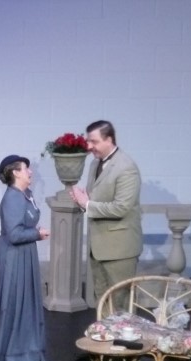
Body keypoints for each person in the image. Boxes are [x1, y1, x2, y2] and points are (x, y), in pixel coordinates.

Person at [0, 154, 51, 361]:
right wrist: (37, 234)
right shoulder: (12, 197)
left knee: (24, 305)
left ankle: (26, 354)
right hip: (13, 257)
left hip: (24, 254)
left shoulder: (25, 194)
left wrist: (34, 232)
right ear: (15, 173)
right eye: (25, 168)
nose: (30, 172)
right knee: (12, 304)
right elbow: (13, 234)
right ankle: (8, 359)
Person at [69, 120, 142, 309]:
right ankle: (105, 330)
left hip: (119, 250)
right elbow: (96, 200)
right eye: (88, 141)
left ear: (109, 139)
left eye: (94, 141)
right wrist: (83, 201)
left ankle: (122, 331)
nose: (89, 146)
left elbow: (121, 208)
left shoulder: (126, 167)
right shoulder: (95, 164)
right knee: (102, 301)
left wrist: (88, 204)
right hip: (99, 248)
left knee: (121, 304)